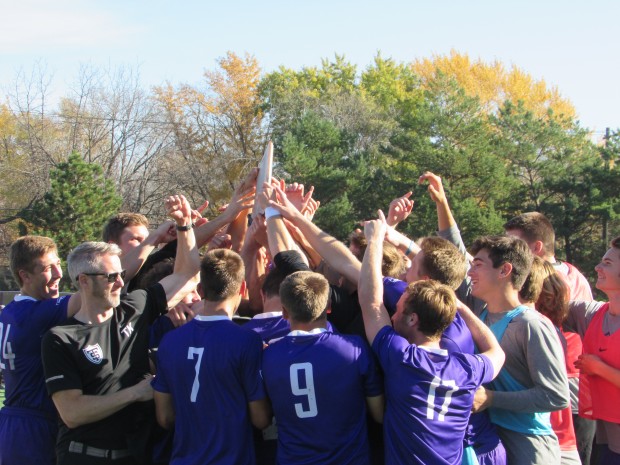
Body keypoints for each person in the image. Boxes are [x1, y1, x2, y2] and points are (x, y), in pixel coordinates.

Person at [41, 194, 200, 465]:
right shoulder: (60, 338)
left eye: (120, 276)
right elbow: (72, 412)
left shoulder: (134, 308)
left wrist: (185, 226)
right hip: (84, 456)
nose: (119, 283)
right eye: (110, 277)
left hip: (135, 454)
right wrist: (135, 393)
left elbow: (187, 275)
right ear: (84, 282)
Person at [358, 211, 505, 465]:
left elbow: (371, 302)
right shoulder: (467, 368)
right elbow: (497, 352)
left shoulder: (402, 358)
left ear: (413, 319)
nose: (392, 318)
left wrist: (373, 241)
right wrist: (461, 306)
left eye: (399, 310)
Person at [152, 248, 271, 465]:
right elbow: (260, 419)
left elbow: (165, 418)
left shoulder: (170, 341)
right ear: (242, 288)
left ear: (200, 289)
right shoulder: (246, 340)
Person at [262, 270, 384, 465]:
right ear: (328, 306)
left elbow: (263, 416)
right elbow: (379, 413)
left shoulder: (268, 356)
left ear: (284, 311)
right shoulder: (354, 348)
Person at [469, 235, 569, 465]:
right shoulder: (480, 314)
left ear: (504, 270)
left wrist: (492, 398)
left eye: (478, 265)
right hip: (491, 440)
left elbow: (556, 395)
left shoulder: (532, 325)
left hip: (529, 446)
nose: (470, 272)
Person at [0, 236, 81, 465]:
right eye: (48, 268)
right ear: (24, 275)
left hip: (16, 420)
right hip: (32, 425)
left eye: (59, 265)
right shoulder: (35, 315)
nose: (58, 274)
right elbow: (95, 291)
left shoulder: (12, 311)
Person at [567, 236, 620, 464]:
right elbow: (548, 302)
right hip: (605, 433)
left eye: (607, 263)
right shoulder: (592, 314)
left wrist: (598, 368)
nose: (597, 267)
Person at [504, 212, 593, 301]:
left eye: (515, 245)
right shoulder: (576, 276)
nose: (507, 251)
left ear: (537, 247)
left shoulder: (541, 282)